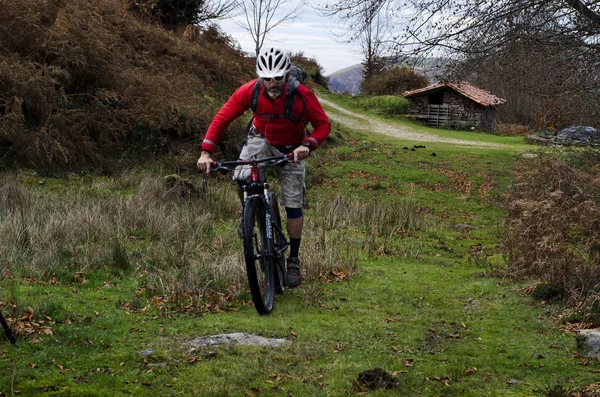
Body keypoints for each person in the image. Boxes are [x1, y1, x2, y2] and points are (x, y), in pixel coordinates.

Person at [197, 47, 331, 288]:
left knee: (293, 203)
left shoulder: (302, 95)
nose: (272, 83)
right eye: (267, 77)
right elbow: (222, 117)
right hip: (260, 137)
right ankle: (248, 212)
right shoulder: (251, 91)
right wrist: (206, 151)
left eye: (278, 77)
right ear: (260, 75)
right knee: (242, 175)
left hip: (292, 146)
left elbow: (323, 125)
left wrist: (308, 146)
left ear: (287, 75)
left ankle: (293, 260)